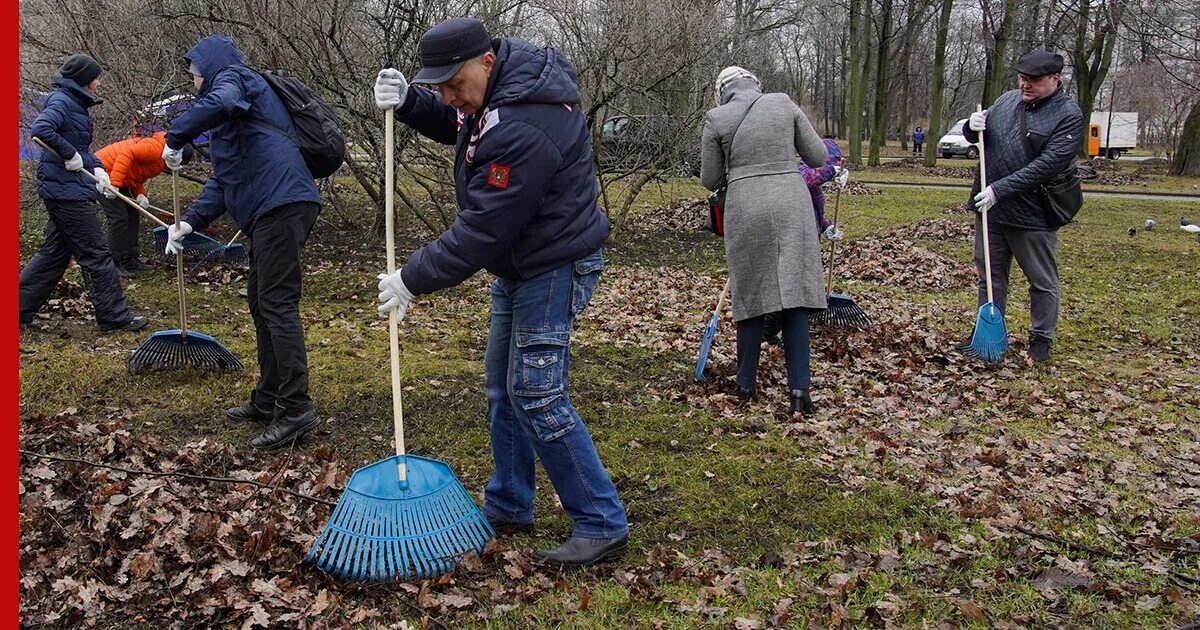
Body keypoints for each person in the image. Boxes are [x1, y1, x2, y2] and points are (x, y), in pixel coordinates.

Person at [372, 18, 628, 568]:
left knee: (536, 392)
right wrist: (412, 103)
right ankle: (511, 502)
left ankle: (602, 522)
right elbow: (464, 120)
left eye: (452, 83)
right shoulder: (500, 92)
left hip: (555, 264)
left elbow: (485, 228)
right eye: (436, 85)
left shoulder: (525, 123)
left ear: (486, 61)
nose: (447, 96)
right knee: (502, 389)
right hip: (522, 264)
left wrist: (411, 278)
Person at [161, 35, 323, 448]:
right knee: (261, 302)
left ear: (209, 71)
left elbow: (222, 100)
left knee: (276, 303)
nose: (195, 86)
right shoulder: (232, 118)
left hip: (282, 204)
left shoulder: (235, 81)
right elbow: (223, 179)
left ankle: (297, 407)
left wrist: (176, 136)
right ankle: (270, 399)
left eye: (196, 78)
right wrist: (189, 222)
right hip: (271, 208)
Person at [699, 66, 828, 413]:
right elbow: (818, 156)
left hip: (746, 206)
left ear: (722, 91)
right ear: (755, 84)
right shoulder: (784, 104)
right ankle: (800, 392)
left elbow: (710, 179)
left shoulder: (717, 118)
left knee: (751, 291)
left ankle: (745, 385)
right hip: (791, 202)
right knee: (795, 295)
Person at [961, 49, 1083, 363]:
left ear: (1054, 79)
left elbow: (1047, 166)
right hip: (991, 211)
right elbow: (982, 137)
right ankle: (989, 332)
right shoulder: (1006, 101)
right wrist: (969, 128)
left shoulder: (1068, 115)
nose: (1025, 85)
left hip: (1033, 213)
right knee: (990, 276)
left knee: (1041, 280)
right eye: (1023, 78)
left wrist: (999, 190)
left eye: (1034, 80)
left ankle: (1041, 339)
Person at [20, 54, 149, 334]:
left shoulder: (74, 104)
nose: (98, 83)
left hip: (68, 188)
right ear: (84, 80)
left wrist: (99, 169)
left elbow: (81, 148)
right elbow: (41, 130)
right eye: (95, 78)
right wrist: (70, 155)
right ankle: (114, 317)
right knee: (96, 253)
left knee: (53, 254)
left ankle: (16, 308)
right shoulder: (62, 101)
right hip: (65, 192)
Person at [763, 137, 848, 344]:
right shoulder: (799, 174)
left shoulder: (815, 189)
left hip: (807, 242)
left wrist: (827, 227)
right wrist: (832, 172)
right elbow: (807, 177)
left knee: (799, 292)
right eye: (830, 163)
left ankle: (778, 331)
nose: (832, 167)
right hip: (791, 242)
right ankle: (768, 332)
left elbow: (814, 214)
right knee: (787, 293)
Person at [95, 130, 194, 276]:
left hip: (118, 177)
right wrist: (114, 184)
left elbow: (136, 173)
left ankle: (130, 259)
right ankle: (112, 264)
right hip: (102, 174)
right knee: (119, 218)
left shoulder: (160, 160)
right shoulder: (155, 149)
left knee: (133, 213)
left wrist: (140, 194)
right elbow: (127, 154)